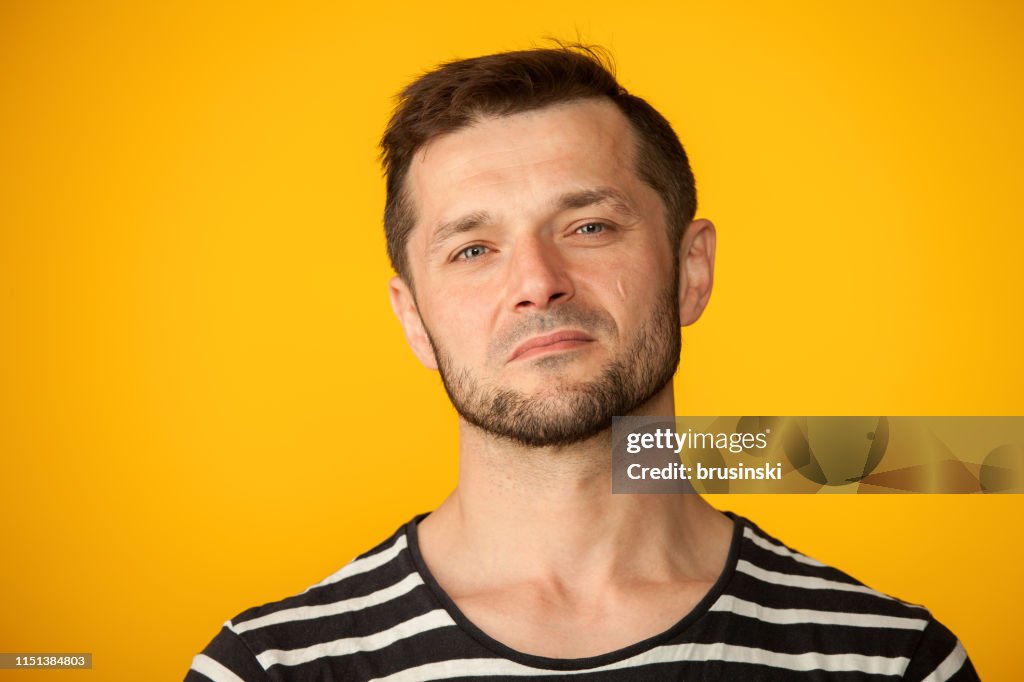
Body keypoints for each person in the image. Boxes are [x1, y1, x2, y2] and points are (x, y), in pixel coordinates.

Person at [186, 45, 978, 681]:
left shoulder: (894, 660)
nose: (537, 283)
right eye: (472, 249)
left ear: (690, 269)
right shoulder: (266, 668)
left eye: (590, 227)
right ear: (413, 319)